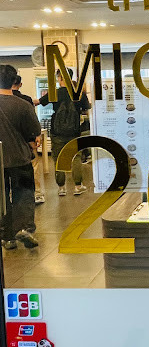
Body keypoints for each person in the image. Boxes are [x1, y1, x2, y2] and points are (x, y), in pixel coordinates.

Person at [0, 65, 41, 249]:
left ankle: (6, 237)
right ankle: (24, 228)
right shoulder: (23, 105)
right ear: (14, 81)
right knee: (23, 193)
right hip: (20, 158)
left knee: (2, 198)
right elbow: (34, 135)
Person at [37, 68, 90, 196]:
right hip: (74, 131)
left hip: (57, 132)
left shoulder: (55, 93)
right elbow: (86, 108)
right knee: (76, 157)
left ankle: (61, 188)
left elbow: (38, 102)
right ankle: (78, 186)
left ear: (59, 78)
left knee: (58, 158)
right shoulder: (79, 93)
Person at [12, 75, 45, 204]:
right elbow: (32, 121)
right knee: (34, 165)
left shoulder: (3, 101)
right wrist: (35, 136)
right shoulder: (26, 100)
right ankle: (37, 193)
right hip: (27, 140)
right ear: (20, 84)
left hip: (8, 142)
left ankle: (12, 195)